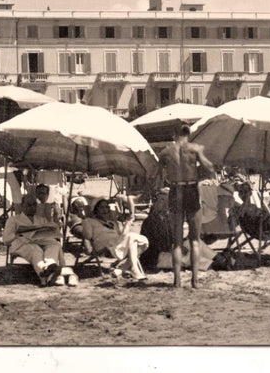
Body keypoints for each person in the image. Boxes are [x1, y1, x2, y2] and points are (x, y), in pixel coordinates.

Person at [155, 123, 216, 288]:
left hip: (175, 190)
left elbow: (158, 177)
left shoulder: (165, 152)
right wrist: (201, 153)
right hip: (191, 190)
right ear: (188, 133)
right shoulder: (194, 149)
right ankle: (195, 281)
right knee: (195, 239)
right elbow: (209, 167)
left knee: (177, 242)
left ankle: (177, 281)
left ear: (174, 133)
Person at [4, 193, 77, 287]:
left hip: (41, 242)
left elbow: (48, 235)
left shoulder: (41, 219)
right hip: (21, 244)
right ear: (22, 206)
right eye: (29, 205)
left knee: (54, 245)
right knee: (35, 249)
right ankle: (53, 274)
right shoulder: (13, 220)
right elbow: (6, 239)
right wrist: (18, 234)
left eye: (34, 204)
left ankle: (51, 271)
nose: (32, 207)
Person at [81, 198, 149, 281]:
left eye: (107, 207)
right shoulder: (89, 221)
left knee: (140, 241)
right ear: (96, 209)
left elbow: (122, 236)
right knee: (132, 239)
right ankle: (131, 269)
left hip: (118, 245)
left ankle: (122, 270)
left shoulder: (112, 223)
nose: (105, 210)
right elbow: (87, 237)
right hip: (105, 248)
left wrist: (127, 223)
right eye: (102, 207)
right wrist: (88, 249)